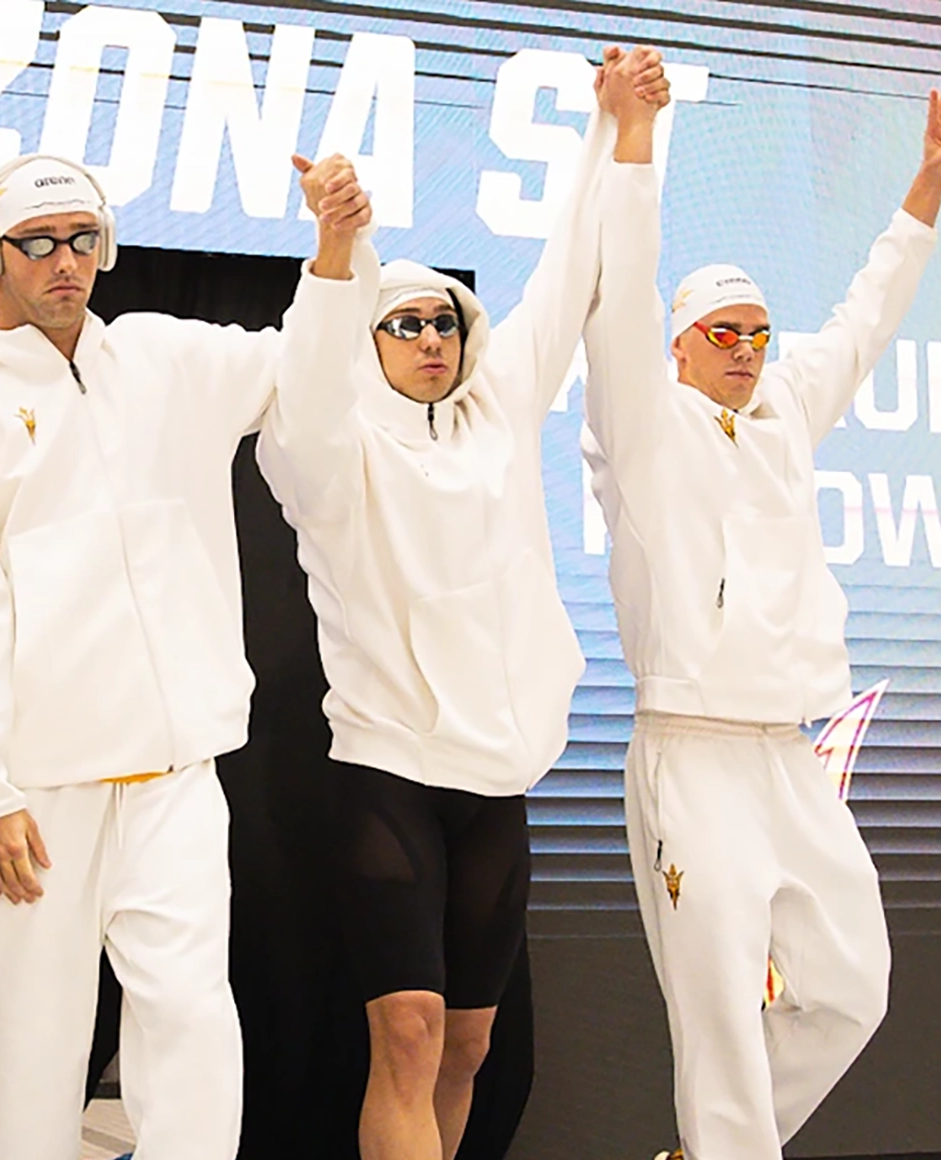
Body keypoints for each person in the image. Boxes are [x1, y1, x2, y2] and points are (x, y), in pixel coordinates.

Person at [257, 48, 670, 1160]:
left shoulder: (496, 409)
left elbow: (571, 267)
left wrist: (612, 128)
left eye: (444, 322)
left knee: (469, 1048)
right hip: (389, 770)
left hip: (497, 780)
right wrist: (339, 252)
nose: (432, 338)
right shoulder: (329, 449)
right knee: (408, 1029)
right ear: (370, 341)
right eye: (406, 324)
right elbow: (303, 389)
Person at [581, 71, 941, 1160]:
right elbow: (616, 296)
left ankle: (712, 1151)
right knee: (717, 1026)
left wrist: (927, 187)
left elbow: (866, 314)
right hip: (690, 754)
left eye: (759, 330)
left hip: (788, 756)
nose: (749, 348)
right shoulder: (641, 424)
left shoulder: (787, 410)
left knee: (853, 986)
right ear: (679, 343)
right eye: (725, 332)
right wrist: (637, 135)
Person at [0, 153, 290, 1160]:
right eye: (38, 242)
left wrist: (337, 254)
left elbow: (303, 359)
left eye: (83, 239)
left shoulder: (158, 362)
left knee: (194, 1019)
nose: (65, 261)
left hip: (174, 771)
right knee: (21, 1069)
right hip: (32, 789)